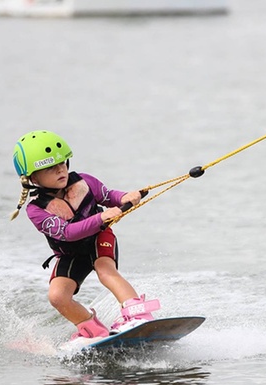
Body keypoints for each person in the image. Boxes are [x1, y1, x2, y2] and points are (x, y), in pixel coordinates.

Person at [9, 130, 159, 341]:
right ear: (33, 177)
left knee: (105, 270)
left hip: (99, 237)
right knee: (57, 296)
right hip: (70, 253)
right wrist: (101, 217)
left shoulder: (85, 181)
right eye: (51, 168)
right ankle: (91, 329)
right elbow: (68, 233)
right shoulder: (36, 210)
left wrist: (126, 196)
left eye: (62, 163)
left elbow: (108, 196)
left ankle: (138, 313)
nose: (60, 170)